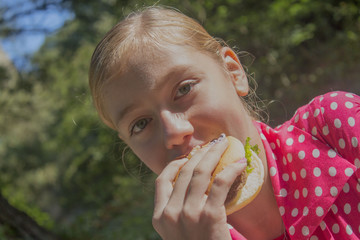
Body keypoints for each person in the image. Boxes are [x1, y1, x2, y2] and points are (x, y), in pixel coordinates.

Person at [88, 6, 360, 240]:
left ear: (233, 71)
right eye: (140, 124)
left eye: (183, 89)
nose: (175, 132)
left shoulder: (333, 129)